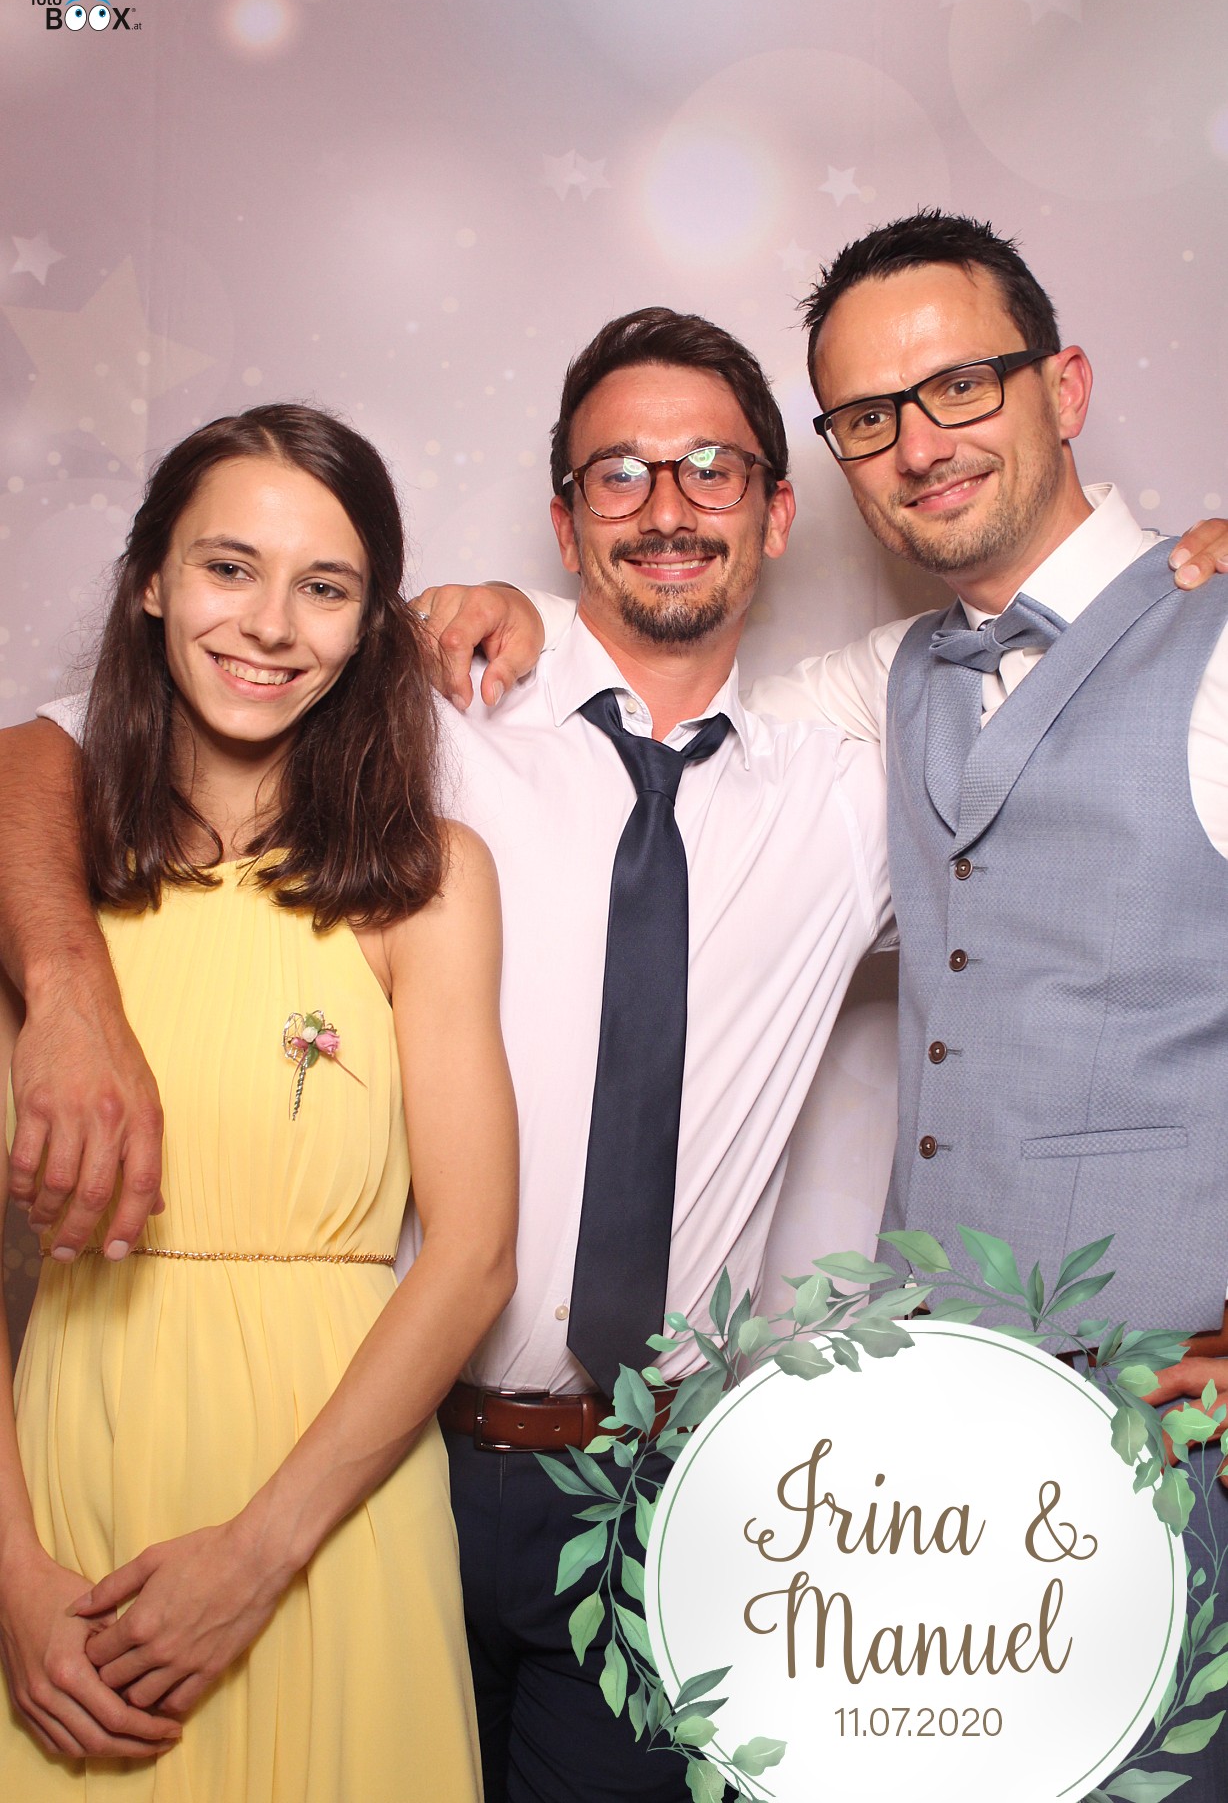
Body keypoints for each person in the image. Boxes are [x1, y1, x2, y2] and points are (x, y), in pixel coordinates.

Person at [0, 313, 892, 1801]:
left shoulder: (846, 794)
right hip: (385, 1439)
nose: (668, 506)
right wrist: (68, 985)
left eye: (712, 469)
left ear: (777, 509)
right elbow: (49, 749)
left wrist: (1176, 594)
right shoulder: (429, 712)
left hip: (638, 1480)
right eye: (619, 474)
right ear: (564, 517)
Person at [423, 213, 1228, 1798]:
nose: (919, 443)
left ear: (1065, 384)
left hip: (1176, 1449)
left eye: (961, 385)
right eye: (868, 415)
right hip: (940, 1485)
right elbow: (665, 681)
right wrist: (461, 613)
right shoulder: (879, 692)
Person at [0, 404, 518, 1799]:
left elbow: (473, 1256)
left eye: (325, 587)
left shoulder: (430, 882)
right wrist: (13, 1576)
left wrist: (255, 1557)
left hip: (326, 1506)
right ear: (150, 583)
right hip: (71, 1490)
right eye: (229, 568)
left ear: (369, 627)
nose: (272, 625)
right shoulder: (41, 897)